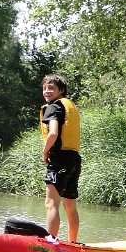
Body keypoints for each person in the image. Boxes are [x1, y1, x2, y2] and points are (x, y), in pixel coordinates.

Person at [40, 73, 81, 242]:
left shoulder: (54, 107)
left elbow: (54, 133)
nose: (47, 91)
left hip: (60, 159)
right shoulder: (68, 106)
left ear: (61, 90)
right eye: (44, 88)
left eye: (51, 88)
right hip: (74, 159)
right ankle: (73, 243)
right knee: (70, 206)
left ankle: (49, 244)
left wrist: (45, 152)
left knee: (51, 203)